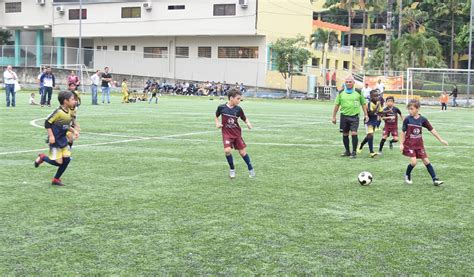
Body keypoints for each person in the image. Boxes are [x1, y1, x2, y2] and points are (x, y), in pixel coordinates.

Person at [34, 90, 79, 186]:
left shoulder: (70, 111)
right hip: (55, 140)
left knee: (66, 159)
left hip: (63, 139)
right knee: (59, 163)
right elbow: (47, 123)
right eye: (72, 99)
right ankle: (43, 157)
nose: (74, 101)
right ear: (65, 101)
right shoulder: (58, 112)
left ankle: (56, 179)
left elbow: (66, 125)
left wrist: (74, 131)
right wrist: (51, 136)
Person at [400, 99, 448, 186]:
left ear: (417, 109)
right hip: (409, 145)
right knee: (414, 162)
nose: (410, 111)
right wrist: (401, 144)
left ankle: (435, 179)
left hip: (419, 145)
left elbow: (432, 130)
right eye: (409, 109)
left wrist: (441, 139)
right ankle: (407, 174)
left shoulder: (423, 119)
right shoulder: (407, 119)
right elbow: (403, 132)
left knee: (426, 161)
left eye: (412, 109)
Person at [215, 89, 255, 179]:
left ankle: (251, 169)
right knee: (227, 151)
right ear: (231, 98)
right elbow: (216, 116)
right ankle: (232, 169)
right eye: (238, 98)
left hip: (237, 134)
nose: (239, 100)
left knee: (242, 152)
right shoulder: (221, 107)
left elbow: (244, 118)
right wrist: (217, 123)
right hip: (226, 133)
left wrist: (248, 123)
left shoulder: (238, 109)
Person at [332, 75, 369, 159]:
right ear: (345, 83)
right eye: (347, 82)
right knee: (345, 134)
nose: (348, 83)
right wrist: (333, 116)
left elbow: (363, 104)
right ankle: (347, 151)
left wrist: (366, 115)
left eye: (350, 82)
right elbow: (337, 105)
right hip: (344, 116)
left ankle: (354, 152)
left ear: (353, 83)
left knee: (354, 133)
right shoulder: (341, 92)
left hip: (354, 117)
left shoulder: (358, 92)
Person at [357, 90, 383, 158]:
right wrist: (377, 107)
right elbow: (370, 113)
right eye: (375, 96)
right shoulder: (369, 103)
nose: (377, 97)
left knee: (369, 136)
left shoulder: (378, 103)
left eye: (377, 95)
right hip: (368, 121)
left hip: (374, 121)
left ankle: (361, 145)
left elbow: (380, 112)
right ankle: (371, 152)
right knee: (370, 135)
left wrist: (385, 113)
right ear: (371, 97)